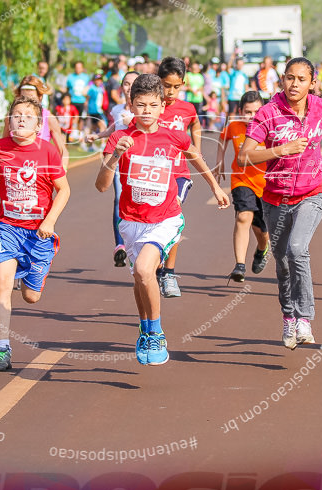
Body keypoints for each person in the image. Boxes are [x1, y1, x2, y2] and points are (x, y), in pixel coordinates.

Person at [95, 74, 229, 366]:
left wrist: (216, 187)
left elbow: (195, 157)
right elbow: (102, 185)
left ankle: (156, 333)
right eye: (140, 105)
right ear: (131, 105)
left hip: (166, 219)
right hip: (131, 221)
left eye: (153, 106)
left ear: (161, 107)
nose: (146, 112)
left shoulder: (172, 136)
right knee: (139, 278)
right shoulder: (120, 138)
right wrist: (114, 158)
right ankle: (144, 330)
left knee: (145, 269)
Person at [239, 58, 322, 350]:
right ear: (282, 80)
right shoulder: (268, 112)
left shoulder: (321, 106)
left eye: (301, 79)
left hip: (312, 193)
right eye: (289, 78)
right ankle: (288, 315)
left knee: (297, 249)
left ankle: (305, 317)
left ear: (312, 83)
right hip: (275, 197)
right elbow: (244, 157)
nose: (294, 84)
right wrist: (280, 149)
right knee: (283, 261)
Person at [0, 97, 70, 372]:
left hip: (38, 234)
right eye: (15, 115)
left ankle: (31, 275)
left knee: (31, 296)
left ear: (38, 124)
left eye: (27, 116)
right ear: (9, 121)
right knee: (1, 283)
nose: (20, 119)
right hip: (6, 228)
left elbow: (63, 190)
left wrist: (50, 221)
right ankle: (1, 348)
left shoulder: (48, 152)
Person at [151, 57, 203, 298]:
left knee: (173, 215)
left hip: (178, 173)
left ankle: (169, 273)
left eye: (176, 86)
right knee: (153, 221)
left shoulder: (187, 108)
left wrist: (197, 148)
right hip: (151, 175)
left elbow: (195, 126)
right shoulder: (151, 105)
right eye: (165, 85)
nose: (170, 92)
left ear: (183, 84)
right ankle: (157, 265)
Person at [216, 91, 270, 282]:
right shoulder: (234, 126)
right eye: (248, 112)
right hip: (242, 180)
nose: (252, 116)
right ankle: (240, 265)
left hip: (267, 185)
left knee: (263, 231)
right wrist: (219, 161)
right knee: (243, 217)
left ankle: (262, 249)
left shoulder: (270, 128)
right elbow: (223, 139)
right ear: (240, 111)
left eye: (257, 111)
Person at [87, 70, 139, 267]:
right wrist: (98, 136)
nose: (129, 88)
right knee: (119, 198)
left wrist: (133, 121)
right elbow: (113, 128)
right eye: (126, 84)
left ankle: (135, 242)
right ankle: (120, 246)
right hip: (118, 160)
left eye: (133, 84)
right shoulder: (117, 109)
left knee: (135, 200)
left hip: (138, 163)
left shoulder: (143, 110)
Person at [10, 75, 69, 169]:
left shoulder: (49, 119)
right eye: (23, 97)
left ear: (40, 97)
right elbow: (4, 148)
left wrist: (62, 171)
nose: (27, 102)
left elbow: (63, 152)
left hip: (40, 173)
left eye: (31, 98)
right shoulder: (11, 118)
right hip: (15, 173)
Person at [84, 74, 107, 142]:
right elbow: (87, 100)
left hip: (98, 110)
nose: (98, 81)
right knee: (102, 125)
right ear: (94, 81)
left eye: (100, 80)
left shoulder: (100, 89)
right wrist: (86, 111)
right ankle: (102, 143)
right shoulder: (92, 88)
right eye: (97, 80)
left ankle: (90, 143)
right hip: (94, 111)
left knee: (93, 128)